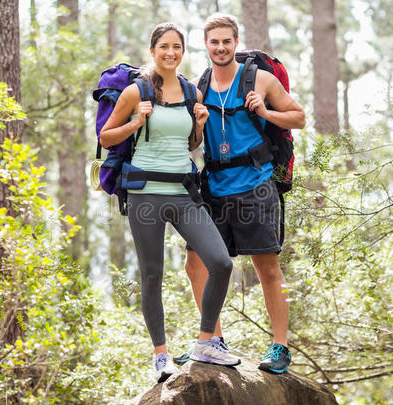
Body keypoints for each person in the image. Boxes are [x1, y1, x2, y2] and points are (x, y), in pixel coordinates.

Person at [100, 22, 240, 384]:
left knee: (221, 262)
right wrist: (135, 122)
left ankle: (206, 342)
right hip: (145, 194)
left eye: (176, 46)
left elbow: (190, 146)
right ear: (153, 51)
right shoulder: (137, 91)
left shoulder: (192, 90)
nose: (170, 52)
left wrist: (199, 125)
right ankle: (160, 356)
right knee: (152, 275)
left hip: (183, 192)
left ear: (182, 51)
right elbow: (106, 135)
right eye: (164, 46)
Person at [176, 14, 306, 374]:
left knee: (267, 268)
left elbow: (298, 117)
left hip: (256, 185)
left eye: (226, 41)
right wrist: (198, 125)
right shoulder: (199, 86)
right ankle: (211, 341)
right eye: (214, 42)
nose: (220, 47)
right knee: (196, 264)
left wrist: (265, 111)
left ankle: (280, 347)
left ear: (236, 42)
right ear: (206, 45)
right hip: (213, 189)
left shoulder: (259, 79)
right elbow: (194, 145)